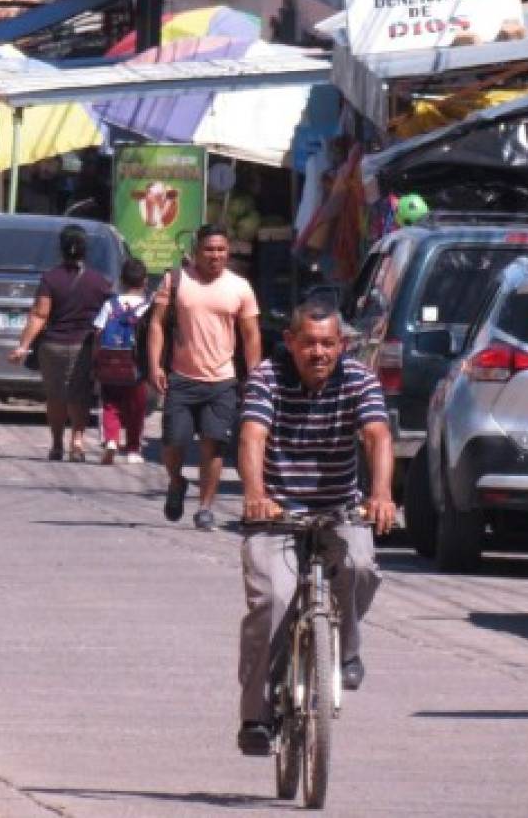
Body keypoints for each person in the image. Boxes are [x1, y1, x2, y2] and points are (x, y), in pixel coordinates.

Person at [235, 301, 396, 755]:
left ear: (342, 345)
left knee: (361, 567)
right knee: (271, 601)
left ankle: (345, 648)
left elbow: (377, 435)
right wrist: (256, 495)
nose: (319, 352)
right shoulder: (266, 378)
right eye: (309, 343)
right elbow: (252, 437)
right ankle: (256, 715)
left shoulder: (359, 380)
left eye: (328, 343)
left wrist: (381, 494)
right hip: (277, 513)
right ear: (291, 343)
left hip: (339, 509)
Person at [147, 224, 262, 530]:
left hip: (223, 381)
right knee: (173, 443)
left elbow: (251, 335)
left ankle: (205, 507)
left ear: (228, 253)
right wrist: (155, 364)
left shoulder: (240, 288)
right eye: (209, 249)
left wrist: (255, 377)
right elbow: (157, 324)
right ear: (196, 251)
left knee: (214, 446)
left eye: (221, 250)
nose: (215, 255)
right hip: (181, 378)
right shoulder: (175, 281)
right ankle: (176, 482)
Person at [9, 225, 111, 461]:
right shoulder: (100, 282)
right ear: (86, 250)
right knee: (79, 395)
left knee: (55, 396)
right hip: (83, 347)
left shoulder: (50, 278)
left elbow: (39, 315)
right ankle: (77, 440)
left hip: (52, 347)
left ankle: (56, 444)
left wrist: (23, 346)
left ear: (61, 248)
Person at [92, 257, 150, 465]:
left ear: (122, 281)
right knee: (137, 408)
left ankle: (111, 440)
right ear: (145, 282)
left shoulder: (110, 304)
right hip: (136, 367)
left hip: (110, 364)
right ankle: (133, 448)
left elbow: (98, 332)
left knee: (110, 404)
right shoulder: (147, 307)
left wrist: (97, 360)